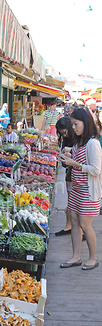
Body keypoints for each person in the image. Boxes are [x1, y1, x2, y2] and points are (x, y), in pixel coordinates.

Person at [59, 107, 102, 270]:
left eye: (76, 124)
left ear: (85, 123)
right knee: (75, 222)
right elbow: (80, 159)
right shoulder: (79, 141)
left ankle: (93, 258)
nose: (74, 128)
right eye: (72, 124)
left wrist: (74, 164)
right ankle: (75, 257)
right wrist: (70, 156)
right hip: (77, 188)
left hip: (88, 191)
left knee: (85, 224)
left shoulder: (93, 143)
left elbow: (95, 170)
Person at [55, 116, 75, 236]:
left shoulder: (79, 139)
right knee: (70, 200)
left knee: (74, 201)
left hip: (77, 173)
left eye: (65, 132)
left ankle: (77, 228)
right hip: (70, 172)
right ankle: (69, 226)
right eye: (62, 134)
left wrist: (70, 152)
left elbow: (81, 153)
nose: (64, 135)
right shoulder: (67, 139)